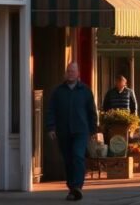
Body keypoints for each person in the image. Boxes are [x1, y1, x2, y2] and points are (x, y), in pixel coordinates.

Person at [47, 62, 98, 201]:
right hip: (64, 131)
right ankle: (71, 187)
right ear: (65, 73)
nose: (70, 73)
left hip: (81, 131)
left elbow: (92, 111)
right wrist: (51, 127)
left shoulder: (85, 91)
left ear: (78, 73)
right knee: (68, 160)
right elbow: (51, 110)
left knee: (78, 156)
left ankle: (77, 186)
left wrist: (93, 130)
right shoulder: (58, 91)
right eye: (68, 71)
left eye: (73, 71)